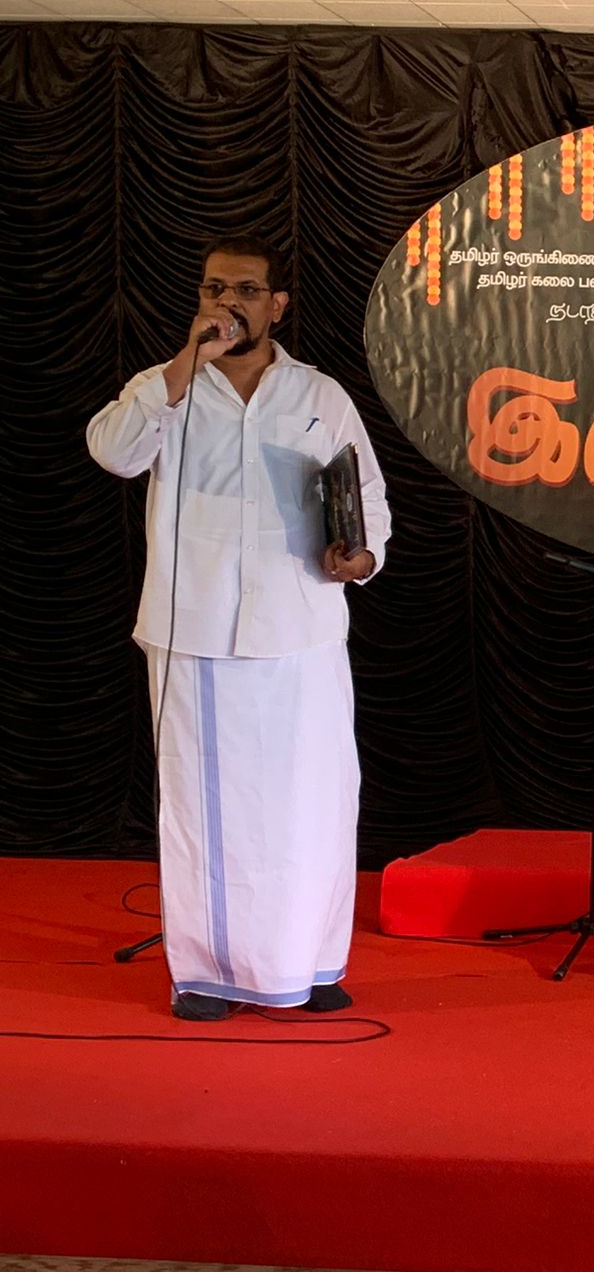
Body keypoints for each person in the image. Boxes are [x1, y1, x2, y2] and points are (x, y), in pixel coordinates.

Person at [86, 239, 391, 1022]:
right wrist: (183, 365)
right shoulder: (166, 388)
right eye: (214, 288)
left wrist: (361, 557)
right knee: (205, 813)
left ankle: (312, 962)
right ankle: (207, 975)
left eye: (247, 290)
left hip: (301, 626)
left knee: (314, 801)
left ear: (276, 305)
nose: (228, 302)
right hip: (195, 630)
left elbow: (367, 496)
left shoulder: (318, 394)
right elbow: (114, 454)